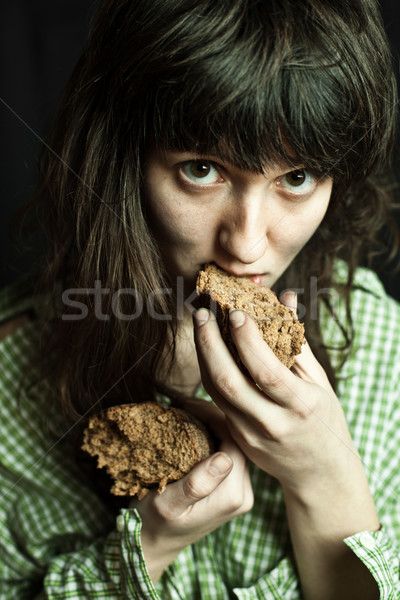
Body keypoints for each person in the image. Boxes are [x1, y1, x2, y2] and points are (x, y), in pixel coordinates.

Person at [0, 0, 399, 598]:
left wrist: (325, 475)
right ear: (122, 161)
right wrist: (149, 548)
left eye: (296, 178)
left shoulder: (383, 352)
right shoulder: (11, 381)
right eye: (202, 169)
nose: (246, 242)